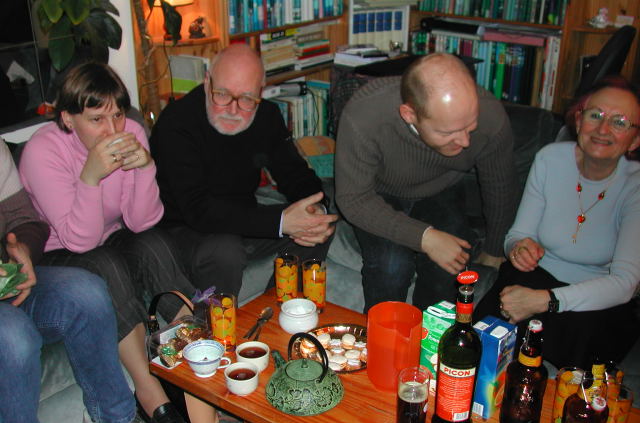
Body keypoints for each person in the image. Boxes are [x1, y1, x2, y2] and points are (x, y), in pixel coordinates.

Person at [19, 62, 194, 423]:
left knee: (156, 244)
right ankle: (149, 392)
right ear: (68, 118)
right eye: (97, 119)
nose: (113, 130)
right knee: (105, 264)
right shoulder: (42, 151)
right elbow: (79, 240)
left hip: (110, 234)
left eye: (117, 115)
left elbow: (142, 221)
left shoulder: (131, 132)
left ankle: (196, 360)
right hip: (59, 250)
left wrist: (145, 168)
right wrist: (90, 176)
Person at [0, 138, 170, 423]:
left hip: (7, 277)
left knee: (86, 292)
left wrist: (23, 252)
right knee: (14, 339)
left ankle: (111, 418)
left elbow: (24, 219)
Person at [474, 76, 640, 369]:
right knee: (478, 344)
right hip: (536, 277)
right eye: (595, 115)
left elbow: (625, 284)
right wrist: (519, 248)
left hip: (594, 297)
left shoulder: (635, 186)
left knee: (575, 358)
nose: (603, 129)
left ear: (635, 140)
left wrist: (546, 300)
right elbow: (517, 235)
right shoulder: (549, 159)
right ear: (579, 120)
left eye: (620, 122)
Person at [335, 53, 518, 312]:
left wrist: (495, 248)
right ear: (409, 114)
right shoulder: (365, 114)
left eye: (470, 126)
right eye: (448, 132)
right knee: (391, 266)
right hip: (377, 193)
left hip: (441, 188)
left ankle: (433, 335)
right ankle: (384, 334)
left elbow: (500, 185)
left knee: (450, 265)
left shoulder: (491, 116)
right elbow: (353, 199)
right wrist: (425, 238)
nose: (465, 141)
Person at [150, 44, 336, 297]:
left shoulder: (267, 115)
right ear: (207, 82)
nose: (233, 109)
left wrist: (315, 209)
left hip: (240, 219)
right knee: (225, 250)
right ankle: (214, 321)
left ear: (261, 92)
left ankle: (282, 307)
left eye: (247, 99)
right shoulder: (176, 123)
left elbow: (295, 173)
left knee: (318, 225)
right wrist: (281, 222)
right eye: (222, 94)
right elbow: (198, 210)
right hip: (184, 228)